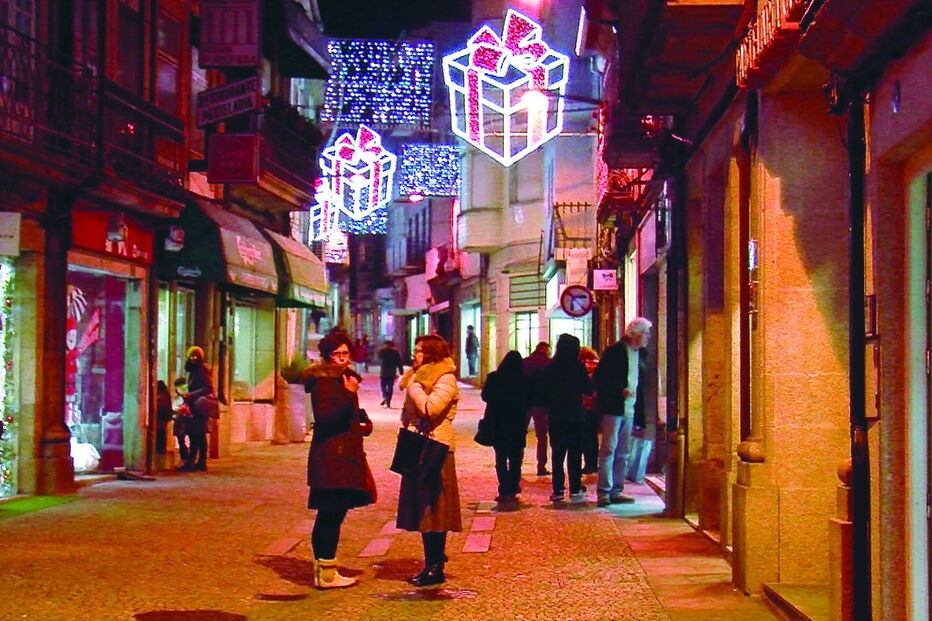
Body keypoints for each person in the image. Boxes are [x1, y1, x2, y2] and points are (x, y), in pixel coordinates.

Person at [304, 332, 377, 589]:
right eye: (337, 354)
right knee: (330, 515)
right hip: (333, 459)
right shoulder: (326, 382)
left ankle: (325, 570)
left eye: (345, 354)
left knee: (332, 514)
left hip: (338, 455)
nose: (343, 359)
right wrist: (348, 395)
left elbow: (340, 415)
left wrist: (359, 424)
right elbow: (325, 417)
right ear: (327, 356)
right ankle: (326, 573)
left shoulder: (340, 379)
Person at [396, 334, 463, 587]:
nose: (414, 354)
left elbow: (430, 409)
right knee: (423, 509)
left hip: (436, 448)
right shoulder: (422, 375)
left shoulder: (444, 377)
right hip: (418, 445)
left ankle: (436, 566)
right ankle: (430, 563)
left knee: (435, 508)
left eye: (419, 350)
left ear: (432, 353)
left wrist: (413, 385)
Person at [593, 317, 652, 507]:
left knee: (623, 452)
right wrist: (619, 390)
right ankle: (604, 492)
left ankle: (617, 490)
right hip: (613, 407)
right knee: (609, 448)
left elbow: (641, 385)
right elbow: (600, 377)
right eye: (646, 333)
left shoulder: (642, 354)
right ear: (635, 334)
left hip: (630, 409)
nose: (648, 337)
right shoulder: (615, 352)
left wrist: (641, 417)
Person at [541, 334, 593, 504]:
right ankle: (575, 488)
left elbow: (543, 391)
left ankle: (557, 490)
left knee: (557, 454)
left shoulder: (551, 367)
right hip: (576, 416)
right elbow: (588, 390)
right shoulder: (578, 367)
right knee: (575, 453)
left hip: (556, 416)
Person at [481, 351, 531, 504]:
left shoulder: (494, 377)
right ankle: (513, 487)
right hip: (517, 423)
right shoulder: (523, 380)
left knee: (501, 457)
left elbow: (485, 396)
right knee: (516, 458)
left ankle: (504, 488)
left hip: (497, 421)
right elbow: (529, 399)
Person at [522, 341, 552, 476]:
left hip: (525, 402)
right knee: (542, 436)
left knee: (521, 433)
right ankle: (541, 466)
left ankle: (517, 462)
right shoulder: (549, 364)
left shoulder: (524, 362)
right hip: (542, 404)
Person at [182, 346, 212, 472]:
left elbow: (208, 388)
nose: (193, 358)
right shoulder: (193, 370)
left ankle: (198, 462)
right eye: (191, 356)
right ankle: (195, 462)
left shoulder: (201, 370)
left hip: (199, 407)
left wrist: (192, 394)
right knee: (195, 434)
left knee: (198, 435)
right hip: (193, 405)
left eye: (196, 356)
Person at [579, 347, 601, 474]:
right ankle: (594, 462)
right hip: (596, 406)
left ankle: (588, 463)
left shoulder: (580, 367)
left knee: (585, 436)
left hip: (584, 405)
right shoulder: (599, 366)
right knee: (593, 436)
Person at [377, 339, 405, 408]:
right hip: (391, 372)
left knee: (383, 385)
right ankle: (388, 401)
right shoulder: (395, 352)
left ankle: (385, 397)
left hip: (384, 371)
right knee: (390, 387)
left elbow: (378, 356)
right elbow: (399, 363)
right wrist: (401, 371)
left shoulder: (382, 351)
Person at [171, 377, 191, 467]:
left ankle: (185, 459)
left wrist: (177, 409)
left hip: (181, 419)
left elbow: (179, 407)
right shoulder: (183, 393)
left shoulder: (182, 393)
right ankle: (186, 459)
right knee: (183, 440)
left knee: (181, 440)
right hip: (182, 418)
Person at [155, 380, 173, 456]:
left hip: (161, 416)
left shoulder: (161, 396)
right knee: (162, 432)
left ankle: (160, 448)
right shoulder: (166, 395)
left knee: (160, 433)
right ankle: (161, 448)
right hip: (164, 417)